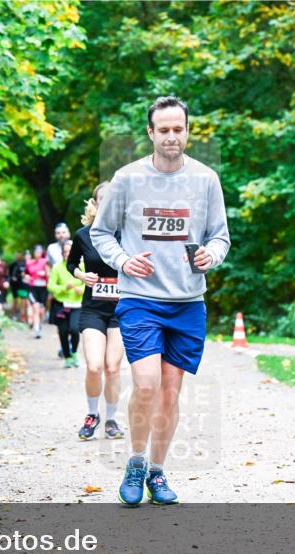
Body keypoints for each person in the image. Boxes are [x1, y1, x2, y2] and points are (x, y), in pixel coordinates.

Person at [91, 95, 230, 505]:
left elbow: (220, 235)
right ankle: (135, 462)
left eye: (178, 129)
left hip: (188, 302)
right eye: (164, 130)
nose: (172, 137)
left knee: (171, 392)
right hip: (141, 299)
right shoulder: (127, 179)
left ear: (187, 131)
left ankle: (157, 471)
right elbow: (101, 233)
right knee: (147, 384)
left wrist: (212, 255)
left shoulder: (206, 180)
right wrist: (124, 260)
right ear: (150, 133)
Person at [67, 181, 126, 441]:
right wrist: (82, 275)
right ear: (96, 204)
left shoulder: (128, 233)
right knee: (94, 366)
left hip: (122, 307)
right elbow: (70, 264)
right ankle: (92, 414)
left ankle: (111, 418)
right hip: (93, 308)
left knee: (113, 367)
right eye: (103, 199)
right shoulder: (83, 235)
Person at [48, 240, 84, 368]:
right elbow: (51, 286)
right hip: (61, 305)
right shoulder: (57, 267)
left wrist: (82, 289)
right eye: (65, 252)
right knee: (63, 332)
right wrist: (64, 287)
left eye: (70, 251)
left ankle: (74, 352)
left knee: (74, 329)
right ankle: (67, 357)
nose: (67, 254)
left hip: (77, 304)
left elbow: (89, 283)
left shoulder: (82, 266)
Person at [24, 245, 49, 338]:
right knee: (35, 307)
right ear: (33, 253)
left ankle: (40, 325)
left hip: (43, 288)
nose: (38, 254)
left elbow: (50, 273)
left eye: (40, 252)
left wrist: (45, 273)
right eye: (36, 252)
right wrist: (26, 277)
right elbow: (25, 273)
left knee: (41, 311)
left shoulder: (45, 262)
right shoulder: (29, 263)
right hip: (33, 288)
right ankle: (36, 329)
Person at [8, 250, 29, 322]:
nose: (18, 257)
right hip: (16, 286)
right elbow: (10, 275)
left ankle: (24, 316)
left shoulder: (26, 264)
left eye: (19, 255)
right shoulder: (13, 265)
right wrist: (12, 279)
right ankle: (15, 314)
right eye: (16, 255)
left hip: (25, 285)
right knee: (16, 300)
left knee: (25, 301)